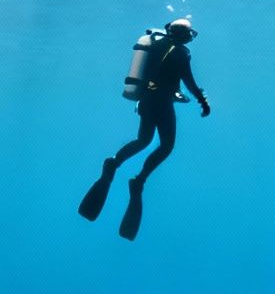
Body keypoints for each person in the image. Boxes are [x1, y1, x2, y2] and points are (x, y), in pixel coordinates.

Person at [80, 17, 211, 239]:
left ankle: (114, 163)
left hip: (147, 100)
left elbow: (159, 76)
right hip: (162, 103)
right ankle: (139, 180)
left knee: (143, 140)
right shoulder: (180, 52)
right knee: (167, 145)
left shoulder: (157, 45)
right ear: (184, 36)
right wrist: (203, 101)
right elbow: (188, 81)